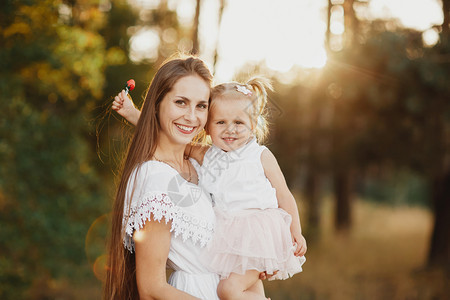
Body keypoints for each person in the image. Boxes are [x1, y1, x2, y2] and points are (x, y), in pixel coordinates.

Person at [113, 76, 307, 300]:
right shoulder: (208, 156)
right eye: (220, 122)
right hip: (230, 240)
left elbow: (284, 195)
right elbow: (170, 140)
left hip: (258, 232)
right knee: (244, 292)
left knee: (229, 291)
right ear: (207, 128)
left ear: (253, 125)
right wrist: (134, 115)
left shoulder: (260, 155)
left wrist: (296, 232)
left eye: (239, 122)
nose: (230, 130)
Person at [105, 55, 220, 300]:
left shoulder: (200, 166)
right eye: (181, 102)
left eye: (201, 105)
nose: (192, 116)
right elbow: (151, 289)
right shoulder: (155, 178)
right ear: (156, 104)